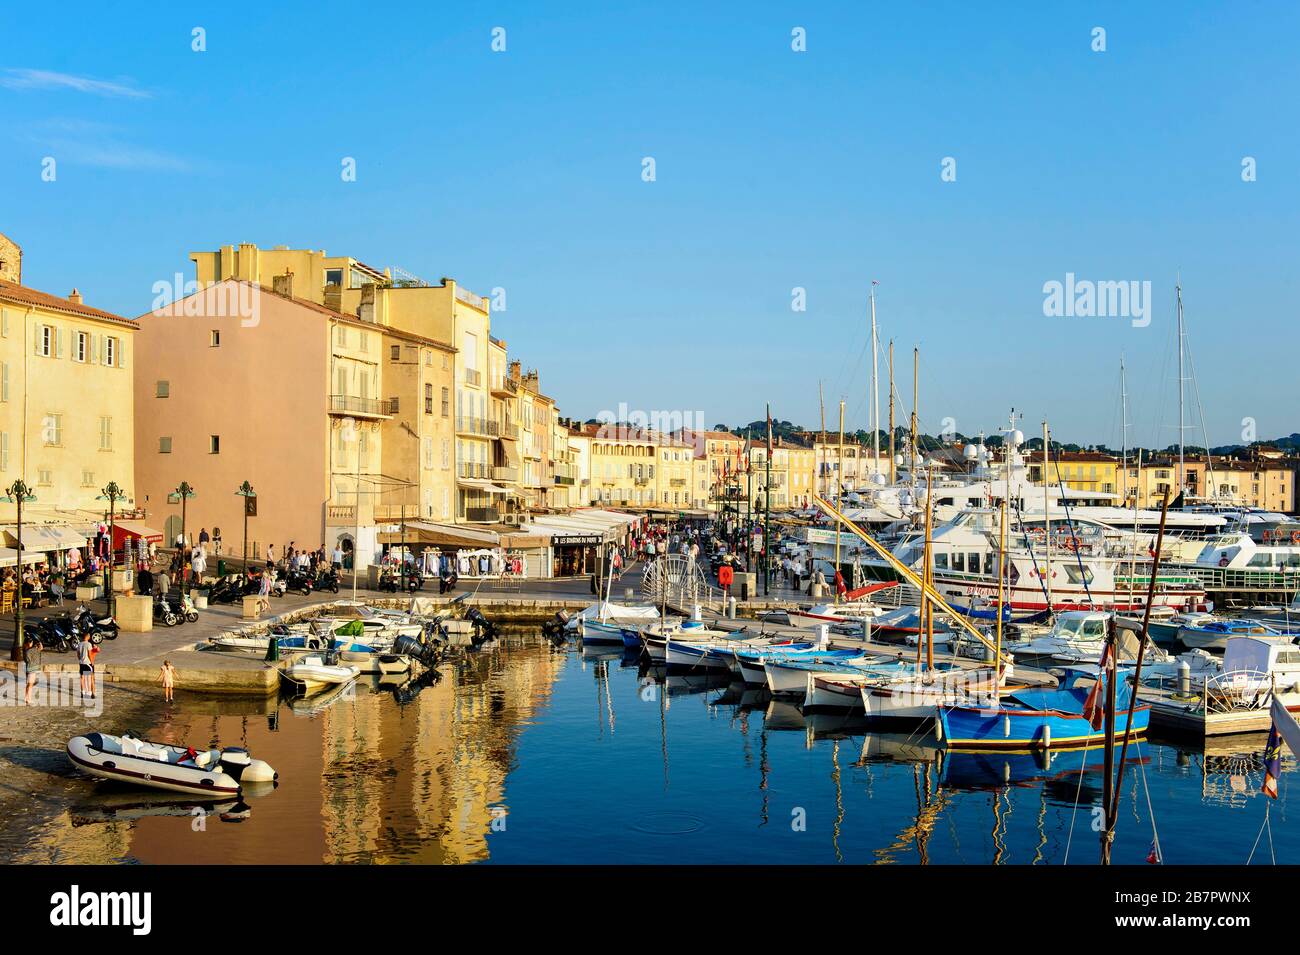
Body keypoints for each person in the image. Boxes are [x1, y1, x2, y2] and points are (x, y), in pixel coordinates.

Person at [23, 630, 41, 705]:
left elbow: (41, 648)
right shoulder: (28, 651)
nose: (31, 643)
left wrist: (38, 642)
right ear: (28, 643)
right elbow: (28, 660)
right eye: (30, 642)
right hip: (31, 670)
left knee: (29, 684)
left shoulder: (31, 650)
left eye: (31, 642)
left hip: (32, 669)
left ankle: (26, 697)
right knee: (30, 685)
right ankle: (28, 699)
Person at [77, 631, 95, 699]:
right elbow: (89, 654)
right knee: (90, 678)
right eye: (89, 636)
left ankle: (82, 692)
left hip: (81, 663)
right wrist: (92, 661)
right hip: (87, 663)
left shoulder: (80, 644)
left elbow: (78, 654)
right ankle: (91, 693)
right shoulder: (88, 644)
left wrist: (80, 659)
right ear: (87, 636)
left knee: (82, 678)